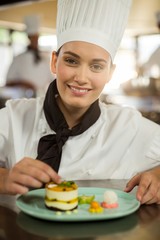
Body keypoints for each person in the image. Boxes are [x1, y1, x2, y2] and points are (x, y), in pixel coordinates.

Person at [0, 0, 160, 205]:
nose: (82, 77)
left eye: (96, 66)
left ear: (110, 73)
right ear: (54, 62)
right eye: (72, 61)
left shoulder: (127, 124)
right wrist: (3, 178)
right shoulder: (15, 116)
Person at [6, 15, 52, 96]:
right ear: (29, 38)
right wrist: (24, 84)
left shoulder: (45, 58)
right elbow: (8, 82)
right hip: (21, 98)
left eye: (36, 37)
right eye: (33, 37)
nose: (35, 40)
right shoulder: (19, 58)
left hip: (41, 97)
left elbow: (52, 80)